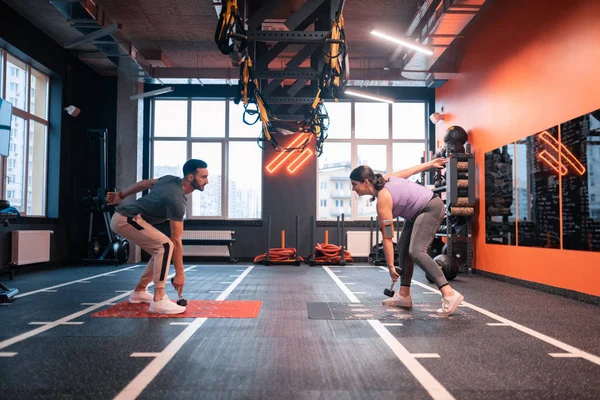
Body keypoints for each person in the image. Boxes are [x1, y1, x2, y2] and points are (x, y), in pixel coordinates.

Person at [349, 158, 464, 316]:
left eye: (355, 184)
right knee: (403, 247)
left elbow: (388, 238)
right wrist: (429, 164)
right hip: (416, 213)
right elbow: (408, 172)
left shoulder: (383, 199)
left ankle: (449, 293)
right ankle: (404, 295)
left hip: (430, 207)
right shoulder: (384, 179)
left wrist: (390, 266)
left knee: (416, 251)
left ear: (366, 182)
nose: (353, 188)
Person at [106, 159, 209, 314]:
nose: (207, 181)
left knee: (160, 249)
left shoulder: (169, 180)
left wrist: (120, 195)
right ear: (190, 177)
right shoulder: (177, 200)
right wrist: (180, 274)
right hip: (127, 218)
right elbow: (176, 239)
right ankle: (159, 299)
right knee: (165, 246)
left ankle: (139, 291)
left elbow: (144, 184)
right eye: (203, 177)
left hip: (127, 218)